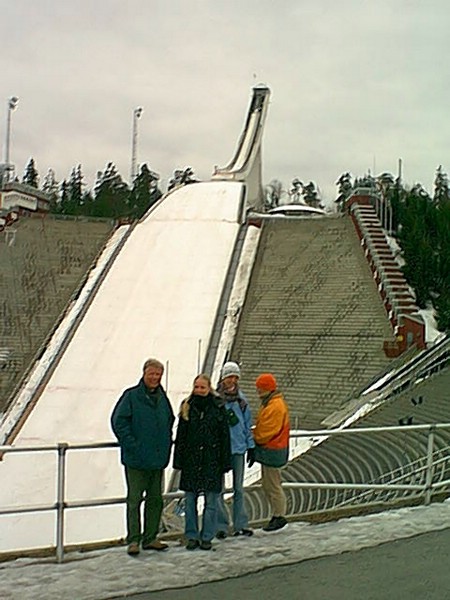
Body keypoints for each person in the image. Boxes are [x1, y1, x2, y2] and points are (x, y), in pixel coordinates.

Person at [111, 358, 175, 556]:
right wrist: (132, 444)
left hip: (157, 459)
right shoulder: (131, 396)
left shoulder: (162, 397)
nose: (155, 378)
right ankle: (134, 539)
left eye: (158, 375)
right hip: (136, 460)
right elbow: (118, 421)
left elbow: (170, 419)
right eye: (152, 374)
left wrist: (165, 443)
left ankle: (150, 537)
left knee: (155, 500)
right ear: (144, 374)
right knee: (134, 500)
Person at [173, 374, 231, 551]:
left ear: (209, 388)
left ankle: (207, 536)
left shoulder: (218, 407)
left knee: (211, 502)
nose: (199, 390)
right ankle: (192, 536)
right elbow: (181, 437)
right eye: (196, 387)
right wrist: (178, 461)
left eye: (202, 387)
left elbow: (224, 437)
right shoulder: (187, 407)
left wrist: (225, 462)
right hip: (191, 461)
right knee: (190, 501)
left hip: (212, 461)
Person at [215, 361, 255, 539]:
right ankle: (221, 525)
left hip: (238, 448)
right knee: (219, 490)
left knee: (239, 488)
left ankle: (241, 524)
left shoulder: (242, 400)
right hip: (221, 450)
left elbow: (247, 425)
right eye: (229, 377)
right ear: (223, 379)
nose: (231, 380)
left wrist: (251, 446)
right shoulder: (216, 400)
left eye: (234, 377)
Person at [253, 373, 290, 532]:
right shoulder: (272, 403)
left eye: (260, 388)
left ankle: (279, 516)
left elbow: (267, 431)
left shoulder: (274, 406)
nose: (258, 391)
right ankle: (277, 515)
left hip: (273, 449)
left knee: (273, 485)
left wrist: (254, 439)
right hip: (273, 449)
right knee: (269, 484)